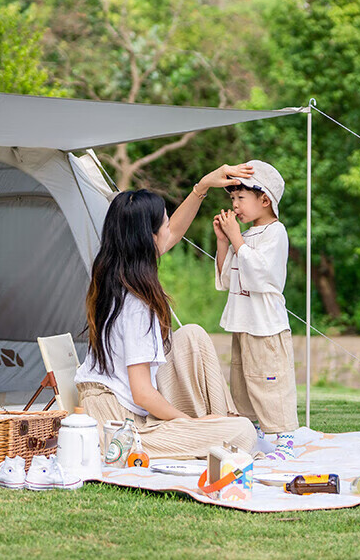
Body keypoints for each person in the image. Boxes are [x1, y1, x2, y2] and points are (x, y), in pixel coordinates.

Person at [76, 165, 259, 461]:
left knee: (192, 336)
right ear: (148, 238)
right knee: (242, 433)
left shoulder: (115, 271)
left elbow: (173, 232)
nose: (168, 229)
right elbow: (142, 394)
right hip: (120, 426)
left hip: (112, 405)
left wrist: (202, 187)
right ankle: (215, 426)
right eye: (163, 224)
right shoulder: (136, 303)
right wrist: (190, 424)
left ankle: (219, 419)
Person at [214, 159, 298, 460]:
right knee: (243, 380)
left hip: (266, 326)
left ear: (265, 200)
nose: (235, 205)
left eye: (241, 198)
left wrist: (236, 238)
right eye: (232, 198)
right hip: (243, 323)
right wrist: (225, 242)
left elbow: (263, 275)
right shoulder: (246, 235)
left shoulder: (276, 233)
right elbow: (226, 279)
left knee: (270, 380)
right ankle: (256, 436)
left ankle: (286, 440)